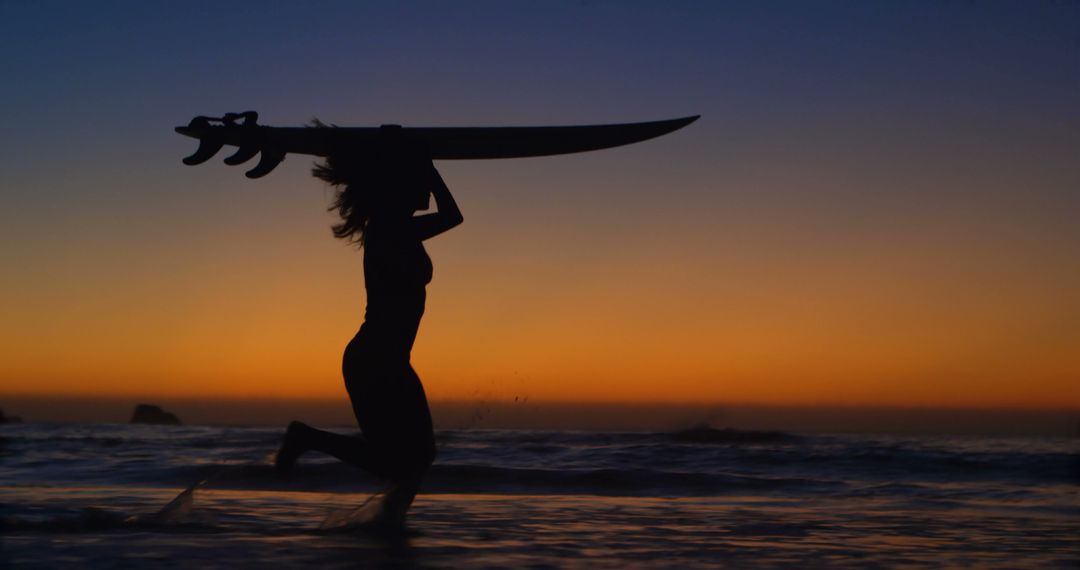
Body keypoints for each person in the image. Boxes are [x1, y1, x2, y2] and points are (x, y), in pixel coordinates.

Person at [274, 135, 463, 527]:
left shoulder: (398, 228)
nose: (424, 190)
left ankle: (387, 530)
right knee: (396, 459)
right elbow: (453, 216)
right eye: (418, 183)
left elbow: (451, 217)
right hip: (374, 359)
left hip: (390, 359)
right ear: (399, 187)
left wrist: (423, 165)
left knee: (418, 456)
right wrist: (427, 166)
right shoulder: (389, 230)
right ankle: (306, 438)